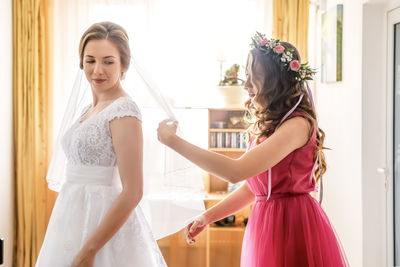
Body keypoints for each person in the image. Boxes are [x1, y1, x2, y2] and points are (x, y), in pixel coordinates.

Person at [157, 33, 349, 267]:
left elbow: (236, 171)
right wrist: (209, 216)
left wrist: (174, 142)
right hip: (266, 224)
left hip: (292, 224)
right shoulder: (274, 123)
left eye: (253, 76)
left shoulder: (297, 124)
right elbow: (254, 186)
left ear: (274, 80)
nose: (245, 84)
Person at [36, 22, 166, 267]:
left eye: (108, 61)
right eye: (90, 60)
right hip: (72, 217)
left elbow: (133, 191)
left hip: (103, 223)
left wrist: (89, 251)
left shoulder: (124, 111)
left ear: (124, 64)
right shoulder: (88, 109)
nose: (97, 70)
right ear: (81, 62)